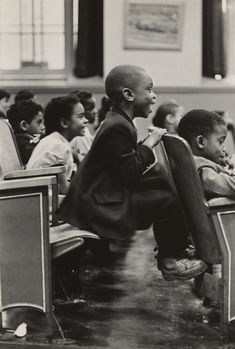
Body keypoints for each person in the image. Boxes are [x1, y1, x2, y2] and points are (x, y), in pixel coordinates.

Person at [59, 64, 206, 281]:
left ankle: (178, 247)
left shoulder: (118, 120)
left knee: (163, 184)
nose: (154, 97)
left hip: (102, 196)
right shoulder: (117, 126)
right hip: (98, 204)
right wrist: (149, 144)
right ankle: (170, 260)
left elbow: (125, 166)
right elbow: (129, 173)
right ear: (128, 94)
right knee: (166, 200)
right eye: (149, 90)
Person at [27, 95, 87, 195]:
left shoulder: (53, 141)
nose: (86, 120)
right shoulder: (59, 147)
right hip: (42, 203)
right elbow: (65, 191)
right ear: (64, 123)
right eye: (81, 116)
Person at [178, 109, 235, 199]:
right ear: (201, 141)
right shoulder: (203, 170)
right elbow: (232, 187)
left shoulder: (191, 162)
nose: (224, 148)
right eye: (220, 142)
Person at [7, 100, 45, 165]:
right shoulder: (22, 143)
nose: (43, 127)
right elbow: (40, 159)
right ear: (24, 125)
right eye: (39, 122)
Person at [70, 90, 99, 159]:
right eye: (90, 108)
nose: (95, 111)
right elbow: (88, 161)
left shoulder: (86, 130)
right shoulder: (82, 133)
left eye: (94, 107)